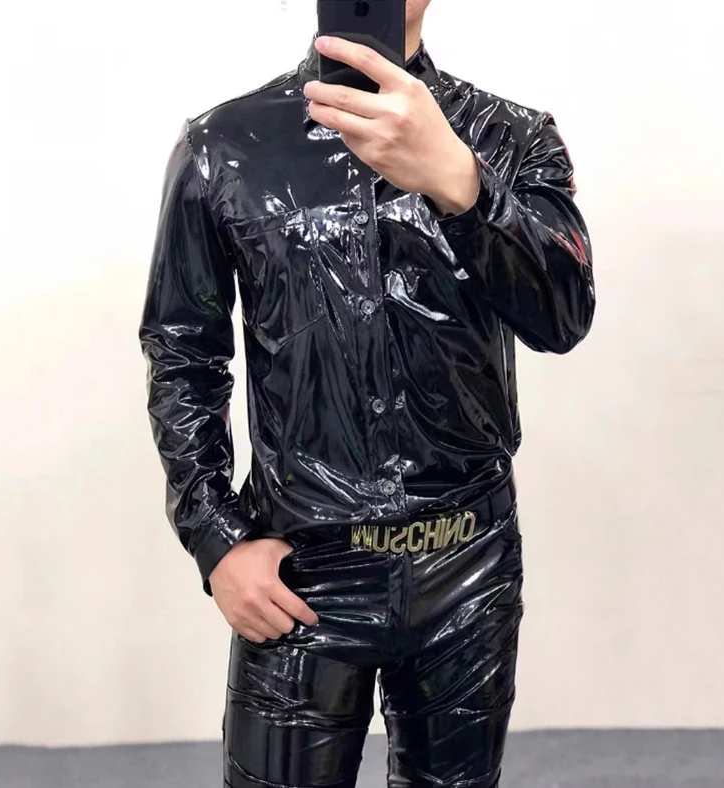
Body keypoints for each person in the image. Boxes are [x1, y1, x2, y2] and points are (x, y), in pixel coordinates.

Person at [138, 1, 595, 785]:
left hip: (468, 562)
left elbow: (563, 317)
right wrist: (219, 539)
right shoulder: (225, 147)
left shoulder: (511, 138)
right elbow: (183, 352)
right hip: (304, 570)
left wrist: (462, 183)